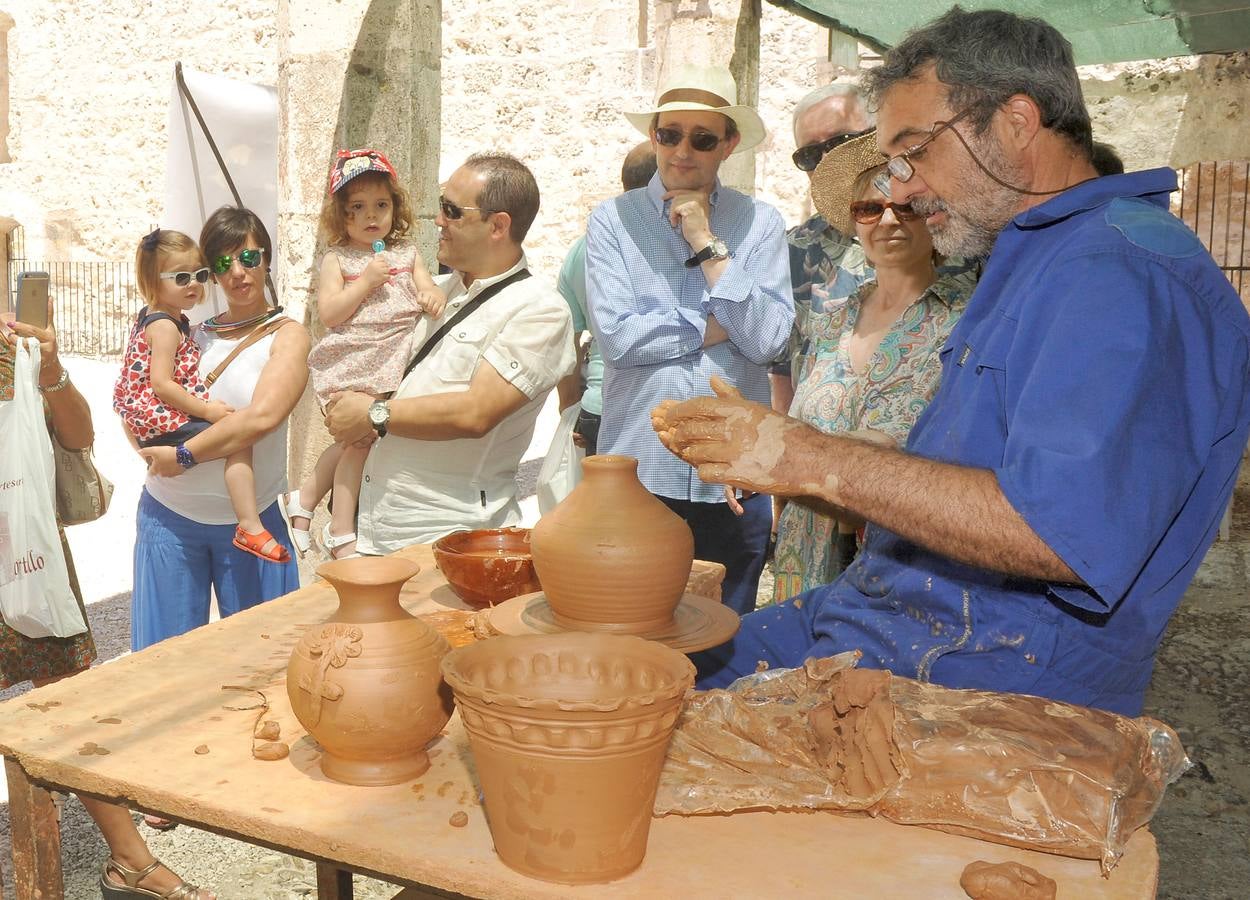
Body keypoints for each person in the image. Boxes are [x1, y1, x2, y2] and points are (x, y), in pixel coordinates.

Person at [651, 7, 1250, 716]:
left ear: (1016, 122)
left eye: (916, 152)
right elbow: (995, 473)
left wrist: (807, 457)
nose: (898, 189)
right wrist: (859, 458)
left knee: (633, 720)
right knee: (634, 672)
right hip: (891, 627)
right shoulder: (1036, 256)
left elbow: (1055, 531)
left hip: (982, 683)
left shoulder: (1120, 273)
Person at [1, 309, 213, 899]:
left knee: (71, 696)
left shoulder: (12, 343)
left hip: (26, 550)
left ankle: (130, 861)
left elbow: (78, 436)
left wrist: (48, 369)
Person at [586, 63, 794, 615]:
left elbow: (771, 341)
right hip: (636, 476)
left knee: (726, 647)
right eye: (669, 134)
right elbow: (618, 342)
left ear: (727, 145)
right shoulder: (612, 221)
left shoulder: (760, 224)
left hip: (732, 479)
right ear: (652, 136)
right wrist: (716, 322)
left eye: (702, 138)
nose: (682, 151)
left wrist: (706, 243)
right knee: (629, 643)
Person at [324, 152, 575, 551]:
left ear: (498, 225)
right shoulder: (432, 290)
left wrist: (372, 414)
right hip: (370, 533)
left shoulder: (540, 310)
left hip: (446, 540)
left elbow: (476, 412)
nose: (437, 219)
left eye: (451, 210)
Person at [771, 134, 975, 602]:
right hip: (804, 556)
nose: (887, 221)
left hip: (898, 565)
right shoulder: (830, 319)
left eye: (906, 208)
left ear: (932, 216)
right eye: (869, 209)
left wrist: (767, 456)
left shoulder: (963, 325)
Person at [135, 207, 308, 650]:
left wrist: (185, 455)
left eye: (249, 259)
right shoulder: (189, 332)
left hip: (248, 525)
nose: (238, 274)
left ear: (267, 259)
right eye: (223, 264)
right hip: (170, 518)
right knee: (164, 669)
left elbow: (262, 417)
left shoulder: (286, 335)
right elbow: (141, 393)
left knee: (264, 665)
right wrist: (147, 447)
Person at [287, 149, 446, 559]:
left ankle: (304, 502)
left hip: (392, 361)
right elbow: (330, 314)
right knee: (359, 442)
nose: (371, 216)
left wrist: (429, 295)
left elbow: (427, 286)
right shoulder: (338, 259)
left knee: (358, 439)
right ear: (341, 215)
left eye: (381, 205)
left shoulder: (407, 253)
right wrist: (364, 284)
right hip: (354, 359)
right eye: (357, 207)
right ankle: (340, 531)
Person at [113, 228, 288, 564]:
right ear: (153, 280)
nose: (193, 284)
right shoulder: (165, 327)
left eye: (199, 275)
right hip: (160, 420)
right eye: (181, 277)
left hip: (147, 420)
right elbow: (162, 384)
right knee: (237, 438)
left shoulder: (165, 318)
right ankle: (250, 524)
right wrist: (207, 411)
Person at [770, 84, 874, 418]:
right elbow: (782, 371)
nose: (829, 161)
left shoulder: (942, 230)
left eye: (841, 142)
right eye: (811, 155)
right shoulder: (795, 249)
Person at [554, 140, 657, 454]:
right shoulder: (674, 246)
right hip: (654, 409)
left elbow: (565, 340)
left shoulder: (583, 247)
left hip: (598, 407)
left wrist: (570, 408)